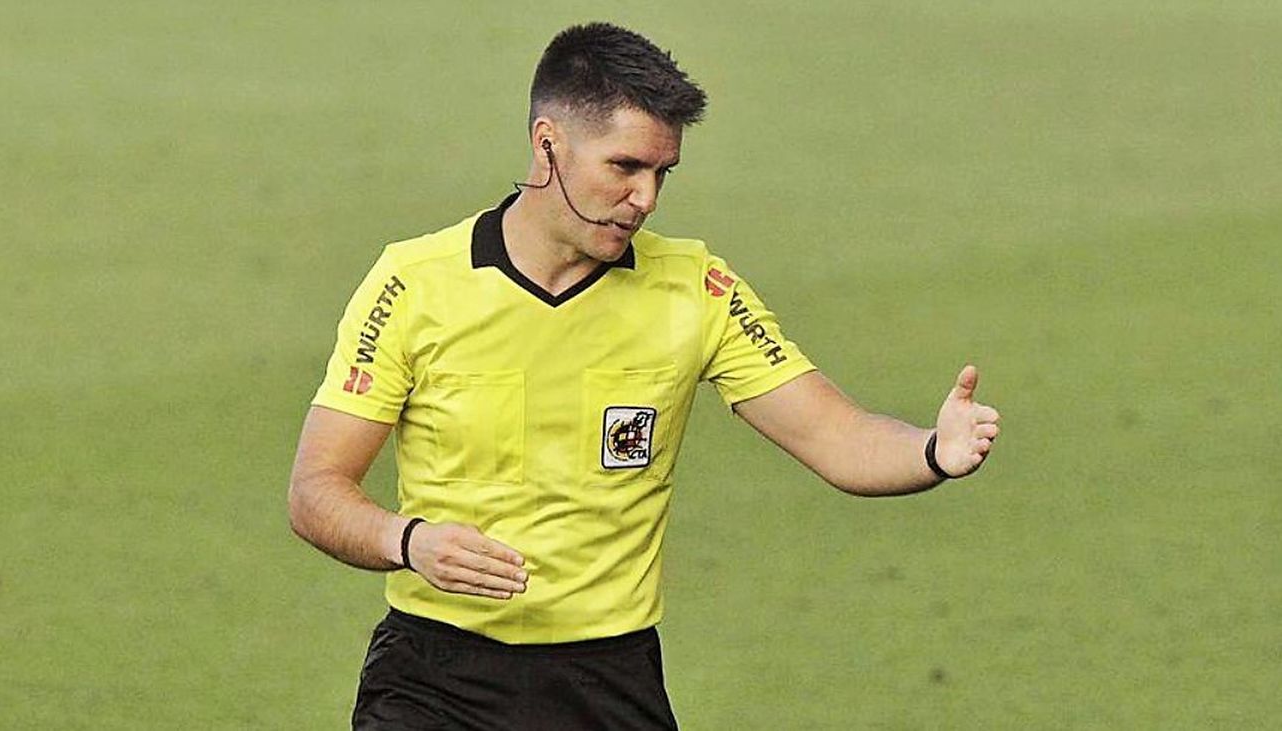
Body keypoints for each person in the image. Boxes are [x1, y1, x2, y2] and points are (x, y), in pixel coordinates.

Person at [288, 21, 1000, 731]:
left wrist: (932, 451)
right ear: (547, 144)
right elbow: (317, 488)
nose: (646, 198)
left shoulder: (697, 288)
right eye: (625, 166)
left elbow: (836, 436)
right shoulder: (413, 283)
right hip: (434, 677)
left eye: (663, 173)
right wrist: (408, 541)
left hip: (608, 679)